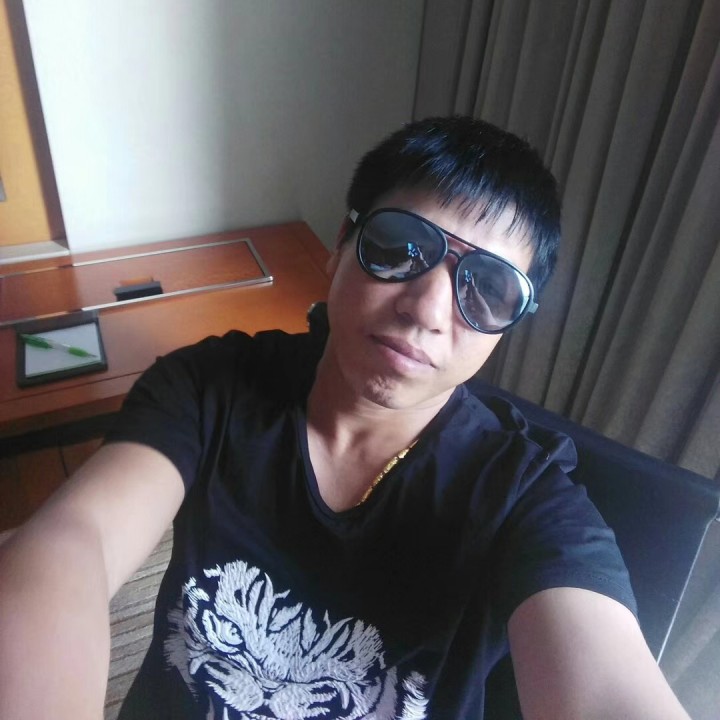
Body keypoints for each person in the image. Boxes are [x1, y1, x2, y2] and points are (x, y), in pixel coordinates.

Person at [0, 117, 690, 720]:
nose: (427, 309)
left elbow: (607, 688)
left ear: (509, 325)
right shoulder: (211, 387)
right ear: (342, 242)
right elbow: (73, 540)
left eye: (487, 288)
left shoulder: (524, 496)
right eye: (400, 247)